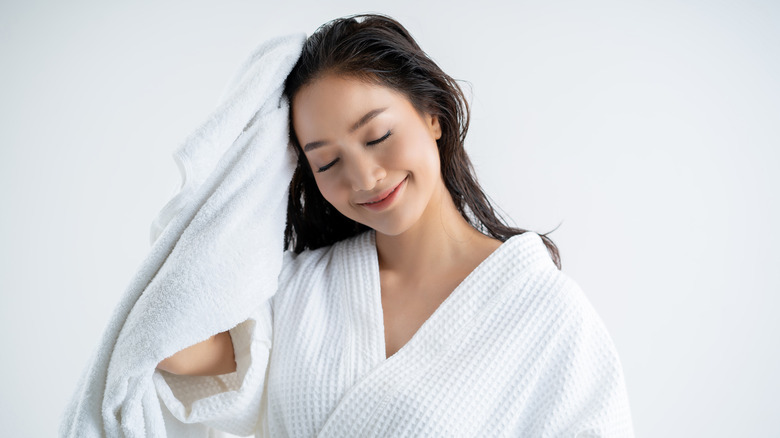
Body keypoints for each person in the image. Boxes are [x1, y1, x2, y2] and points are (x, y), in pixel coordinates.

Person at [155, 13, 634, 437]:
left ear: (432, 116)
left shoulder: (547, 313)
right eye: (326, 163)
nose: (364, 177)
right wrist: (237, 166)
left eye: (378, 135)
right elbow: (167, 338)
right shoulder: (297, 290)